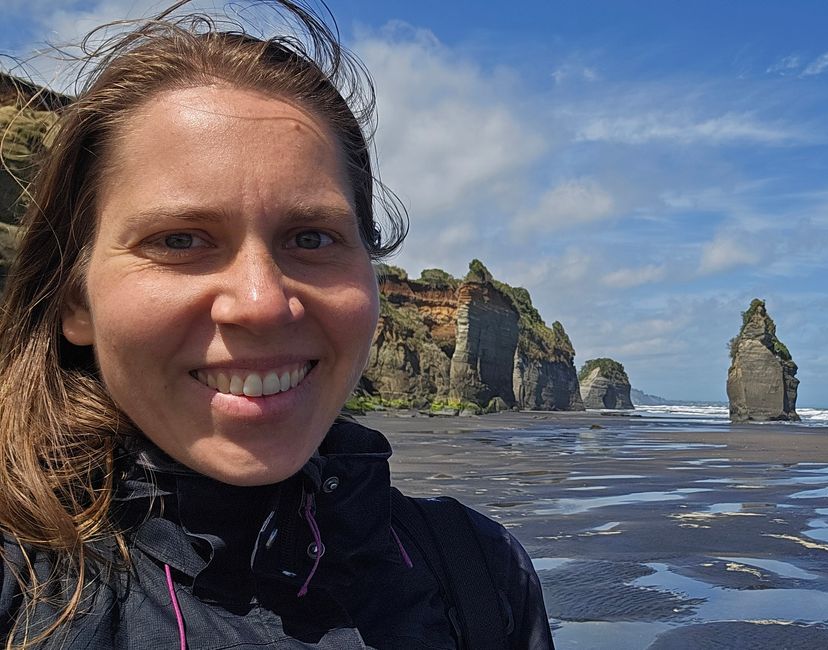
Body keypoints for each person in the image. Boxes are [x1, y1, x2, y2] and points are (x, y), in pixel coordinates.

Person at [0, 1, 554, 647]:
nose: (262, 303)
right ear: (76, 303)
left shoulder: (475, 570)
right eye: (180, 239)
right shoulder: (23, 589)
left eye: (312, 238)